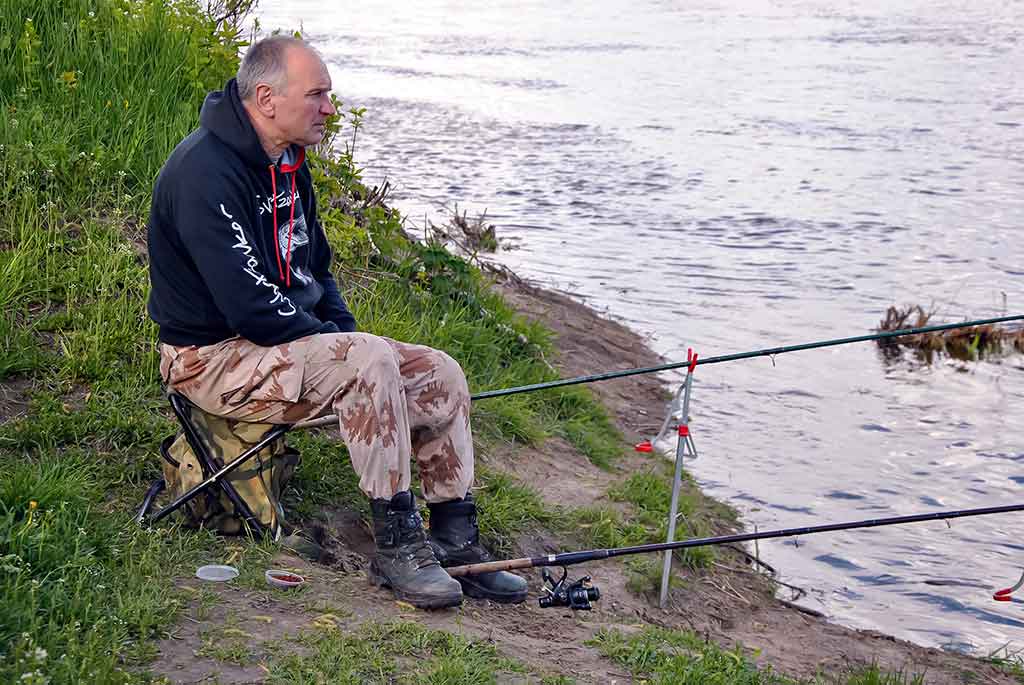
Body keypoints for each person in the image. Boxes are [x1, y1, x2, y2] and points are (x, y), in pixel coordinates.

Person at [146, 35, 527, 609]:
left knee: (440, 371)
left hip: (275, 347)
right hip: (212, 359)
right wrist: (347, 352)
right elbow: (247, 306)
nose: (330, 108)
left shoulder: (289, 164)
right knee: (365, 359)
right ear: (267, 99)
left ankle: (455, 537)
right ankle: (398, 545)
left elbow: (316, 275)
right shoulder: (204, 173)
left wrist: (347, 338)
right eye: (318, 95)